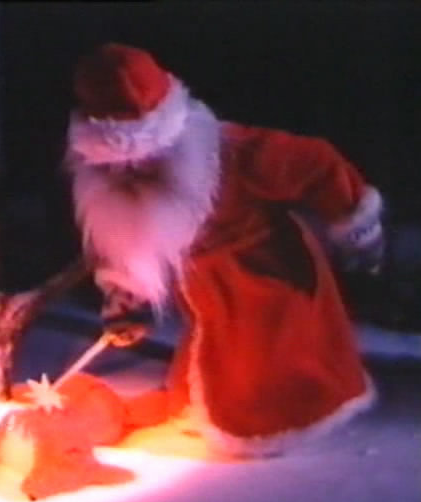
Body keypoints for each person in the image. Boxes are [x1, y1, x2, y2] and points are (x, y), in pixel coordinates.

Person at [63, 43, 384, 457]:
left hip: (268, 277)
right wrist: (128, 297)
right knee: (212, 362)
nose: (133, 173)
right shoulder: (113, 180)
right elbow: (132, 237)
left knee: (267, 373)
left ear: (167, 133)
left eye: (145, 160)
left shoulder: (234, 152)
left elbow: (317, 163)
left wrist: (353, 220)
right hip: (206, 293)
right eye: (117, 166)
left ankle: (282, 424)